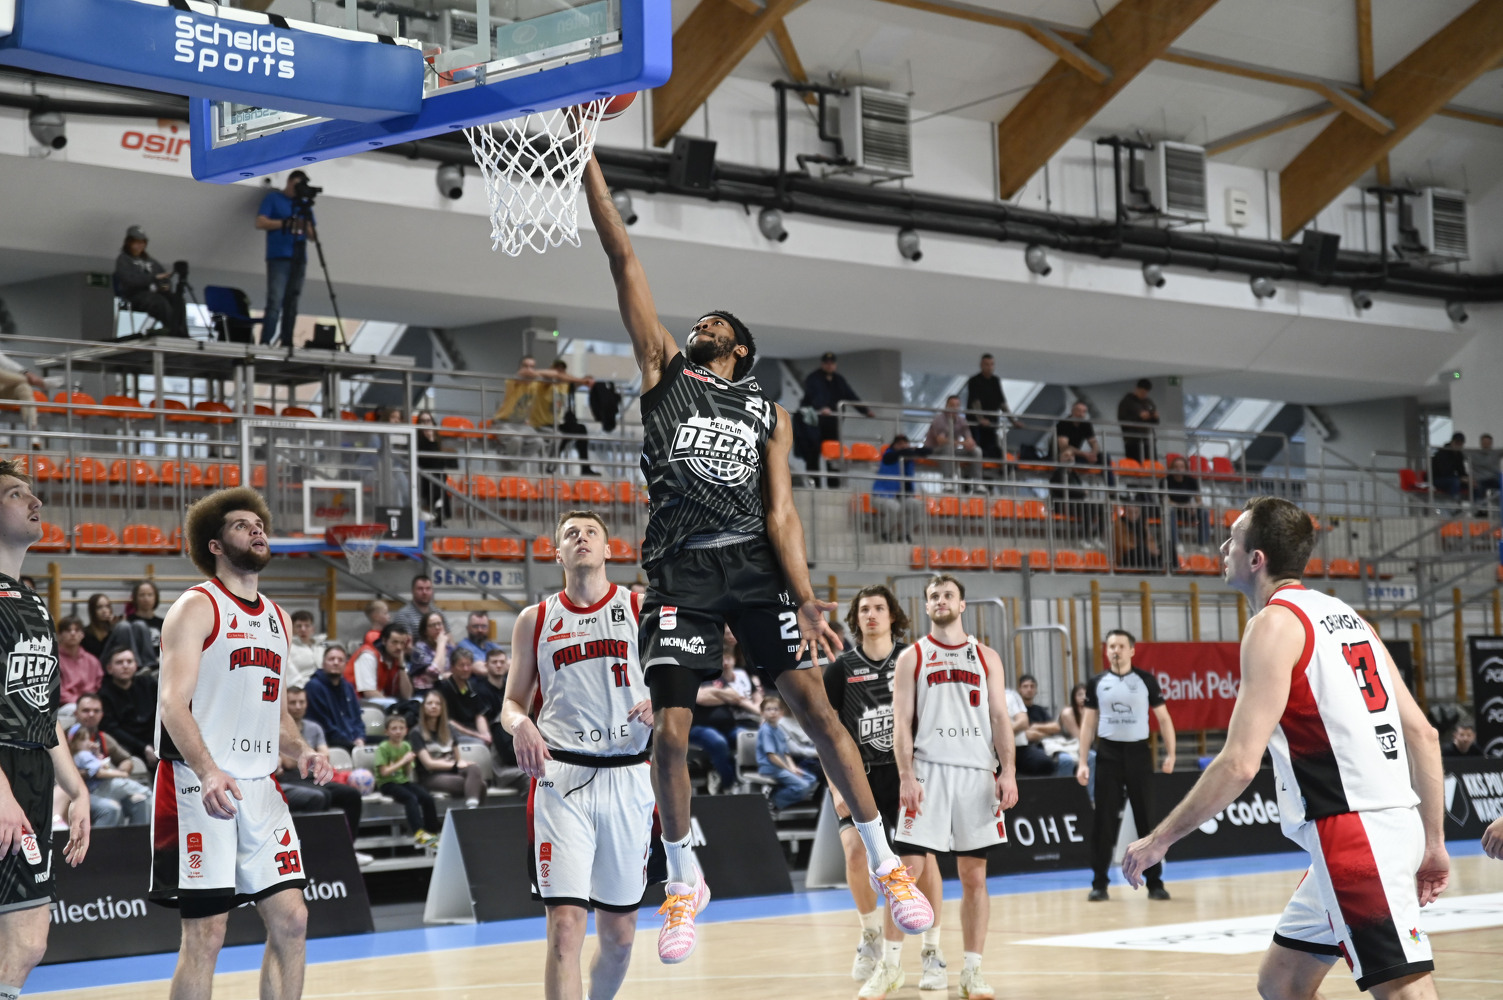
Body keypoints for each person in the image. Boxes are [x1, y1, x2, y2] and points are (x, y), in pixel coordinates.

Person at [583, 155, 933, 964]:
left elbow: (780, 510)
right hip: (679, 571)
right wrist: (587, 165)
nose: (700, 325)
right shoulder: (665, 375)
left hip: (752, 566)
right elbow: (622, 256)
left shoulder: (768, 412)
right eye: (698, 321)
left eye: (715, 323)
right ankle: (683, 881)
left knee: (818, 713)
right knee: (671, 734)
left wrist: (805, 594)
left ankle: (886, 864)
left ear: (738, 347)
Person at [1123, 496, 1448, 1000]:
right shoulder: (1346, 616)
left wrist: (1159, 840)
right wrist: (1433, 841)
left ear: (1257, 559)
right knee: (1282, 982)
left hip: (1353, 832)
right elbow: (1424, 734)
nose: (1224, 547)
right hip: (1392, 823)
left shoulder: (1273, 624)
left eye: (1233, 538)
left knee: (1406, 990)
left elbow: (1238, 763)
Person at [152, 486, 332, 1000]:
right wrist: (208, 769)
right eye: (240, 525)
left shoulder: (278, 618)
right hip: (199, 785)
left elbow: (275, 716)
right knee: (207, 935)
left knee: (293, 920)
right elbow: (172, 704)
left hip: (259, 786)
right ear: (214, 545)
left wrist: (302, 750)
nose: (256, 530)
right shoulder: (197, 606)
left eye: (259, 524)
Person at [502, 511, 654, 1000]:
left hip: (628, 775)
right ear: (558, 553)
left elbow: (688, 671)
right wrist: (521, 724)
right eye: (571, 534)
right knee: (565, 927)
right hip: (561, 778)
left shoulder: (639, 607)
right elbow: (511, 702)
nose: (581, 539)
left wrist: (666, 698)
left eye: (591, 533)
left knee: (620, 939)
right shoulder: (535, 619)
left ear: (609, 550)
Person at [891, 574, 1018, 1000]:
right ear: (926, 606)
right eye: (934, 596)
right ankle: (890, 964)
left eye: (948, 595)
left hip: (976, 773)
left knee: (974, 877)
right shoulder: (912, 656)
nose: (941, 600)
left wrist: (1008, 771)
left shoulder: (986, 656)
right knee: (906, 874)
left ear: (962, 605)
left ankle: (972, 971)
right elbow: (901, 723)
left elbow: (1000, 717)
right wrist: (906, 775)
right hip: (928, 771)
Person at [824, 585, 946, 997]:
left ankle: (930, 952)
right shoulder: (841, 669)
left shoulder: (915, 660)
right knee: (855, 853)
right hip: (858, 776)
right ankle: (870, 935)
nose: (871, 614)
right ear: (856, 619)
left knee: (918, 864)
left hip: (908, 773)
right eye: (864, 609)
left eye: (879, 607)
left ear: (893, 615)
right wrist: (836, 787)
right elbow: (826, 735)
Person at [0, 460, 91, 1000]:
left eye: (32, 493)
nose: (34, 502)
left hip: (32, 772)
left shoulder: (33, 602)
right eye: (15, 493)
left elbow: (44, 709)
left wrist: (77, 790)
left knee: (29, 940)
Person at [1076, 628, 1175, 901]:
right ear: (1106, 651)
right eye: (1111, 646)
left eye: (1121, 646)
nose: (1115, 650)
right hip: (1108, 754)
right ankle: (1099, 883)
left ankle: (1155, 883)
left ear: (1131, 650)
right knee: (1104, 820)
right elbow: (1088, 724)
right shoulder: (1097, 683)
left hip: (1138, 754)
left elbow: (1164, 719)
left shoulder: (1145, 681)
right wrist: (1082, 761)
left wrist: (1171, 754)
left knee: (1147, 820)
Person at [277, 685, 363, 843]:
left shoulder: (314, 727)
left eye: (301, 702)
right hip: (291, 778)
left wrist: (305, 758)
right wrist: (312, 756)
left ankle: (349, 847)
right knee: (323, 796)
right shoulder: (279, 729)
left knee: (352, 795)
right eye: (293, 703)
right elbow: (288, 763)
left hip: (313, 777)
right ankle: (319, 847)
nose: (298, 706)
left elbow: (324, 757)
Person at [253, 171, 316, 347]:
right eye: (296, 186)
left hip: (299, 258)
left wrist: (305, 224)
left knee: (292, 301)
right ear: (289, 182)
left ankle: (287, 340)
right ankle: (265, 340)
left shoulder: (304, 205)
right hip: (278, 257)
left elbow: (313, 236)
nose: (297, 190)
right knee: (275, 300)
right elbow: (260, 222)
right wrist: (286, 223)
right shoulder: (273, 198)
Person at [798, 352, 871, 486]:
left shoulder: (839, 380)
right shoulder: (814, 378)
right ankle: (814, 485)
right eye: (827, 363)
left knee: (833, 454)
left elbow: (850, 395)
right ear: (822, 364)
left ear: (835, 365)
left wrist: (865, 410)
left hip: (832, 422)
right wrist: (821, 408)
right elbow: (814, 396)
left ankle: (834, 485)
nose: (829, 366)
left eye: (831, 363)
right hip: (814, 422)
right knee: (813, 454)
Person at [411, 691, 486, 809]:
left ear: (442, 708)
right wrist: (455, 765)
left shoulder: (449, 728)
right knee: (480, 785)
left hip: (451, 771)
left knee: (474, 768)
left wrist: (461, 763)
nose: (434, 706)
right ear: (423, 707)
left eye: (438, 704)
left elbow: (458, 758)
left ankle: (472, 809)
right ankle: (472, 812)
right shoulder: (416, 732)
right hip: (430, 776)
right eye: (430, 703)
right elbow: (429, 764)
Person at [68, 723, 149, 827]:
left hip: (99, 788)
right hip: (98, 788)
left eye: (88, 739)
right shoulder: (83, 754)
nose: (88, 742)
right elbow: (99, 773)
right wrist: (121, 774)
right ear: (74, 744)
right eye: (83, 740)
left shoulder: (86, 754)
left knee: (138, 799)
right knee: (126, 786)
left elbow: (102, 765)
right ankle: (148, 792)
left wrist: (97, 754)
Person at [375, 714, 439, 846]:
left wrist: (409, 763)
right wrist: (403, 761)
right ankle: (419, 833)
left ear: (406, 730)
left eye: (401, 728)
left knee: (427, 797)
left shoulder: (406, 746)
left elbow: (407, 773)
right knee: (410, 798)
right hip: (387, 783)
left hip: (403, 781)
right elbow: (384, 772)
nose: (398, 731)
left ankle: (432, 832)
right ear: (386, 731)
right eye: (394, 728)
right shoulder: (383, 747)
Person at [114, 225, 188, 337]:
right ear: (129, 242)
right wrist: (153, 278)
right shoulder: (123, 260)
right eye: (137, 242)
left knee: (178, 300)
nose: (140, 245)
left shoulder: (151, 261)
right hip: (136, 295)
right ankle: (173, 330)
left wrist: (165, 286)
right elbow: (130, 281)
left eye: (142, 242)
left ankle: (182, 331)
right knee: (159, 301)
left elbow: (163, 277)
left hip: (155, 294)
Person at [97, 648, 158, 768]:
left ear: (136, 665)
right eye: (119, 662)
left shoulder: (149, 684)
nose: (125, 666)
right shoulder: (104, 695)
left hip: (156, 740)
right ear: (109, 668)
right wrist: (144, 747)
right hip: (128, 746)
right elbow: (112, 730)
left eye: (129, 661)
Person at [756, 696, 818, 809]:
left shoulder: (778, 730)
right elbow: (772, 756)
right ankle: (772, 801)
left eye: (775, 709)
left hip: (782, 766)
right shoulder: (766, 731)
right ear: (762, 713)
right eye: (768, 709)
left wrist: (793, 768)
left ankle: (780, 795)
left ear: (781, 712)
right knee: (803, 786)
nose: (772, 712)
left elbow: (786, 753)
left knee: (811, 779)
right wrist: (789, 769)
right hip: (771, 768)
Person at [303, 645, 365, 752]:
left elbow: (357, 719)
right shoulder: (314, 687)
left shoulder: (348, 687)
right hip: (329, 741)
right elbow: (323, 725)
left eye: (340, 660)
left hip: (351, 739)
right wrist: (351, 742)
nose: (336, 663)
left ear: (345, 664)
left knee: (383, 743)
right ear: (323, 663)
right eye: (331, 659)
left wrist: (360, 737)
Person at [871, 435, 929, 542]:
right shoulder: (889, 456)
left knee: (919, 506)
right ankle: (886, 533)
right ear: (894, 446)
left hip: (902, 497)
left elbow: (927, 451)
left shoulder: (909, 459)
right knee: (894, 507)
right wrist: (908, 450)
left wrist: (914, 450)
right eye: (900, 444)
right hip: (882, 495)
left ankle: (904, 534)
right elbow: (901, 453)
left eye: (905, 444)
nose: (903, 446)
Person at [1016, 674, 1074, 777]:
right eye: (1025, 686)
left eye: (1032, 686)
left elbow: (1056, 727)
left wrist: (1035, 727)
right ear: (1019, 689)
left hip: (1047, 745)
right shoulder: (1016, 711)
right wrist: (1045, 732)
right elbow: (1028, 735)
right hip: (1025, 750)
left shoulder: (1039, 710)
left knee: (1067, 760)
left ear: (1036, 690)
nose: (1029, 689)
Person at [964, 353, 1018, 464]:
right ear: (981, 365)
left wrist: (1013, 421)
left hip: (991, 424)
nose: (989, 367)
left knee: (992, 449)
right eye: (987, 364)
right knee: (978, 449)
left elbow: (1002, 403)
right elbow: (975, 402)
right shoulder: (974, 380)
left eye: (991, 364)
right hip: (976, 425)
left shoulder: (995, 381)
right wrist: (981, 419)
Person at [437, 645, 493, 746]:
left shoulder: (473, 686)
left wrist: (485, 734)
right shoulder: (444, 688)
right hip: (453, 732)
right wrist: (478, 736)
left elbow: (479, 714)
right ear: (452, 668)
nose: (466, 669)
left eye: (468, 665)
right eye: (461, 665)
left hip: (474, 731)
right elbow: (448, 721)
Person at [925, 396, 982, 489]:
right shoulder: (939, 419)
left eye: (957, 405)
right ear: (946, 406)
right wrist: (962, 443)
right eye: (952, 405)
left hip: (952, 451)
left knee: (977, 450)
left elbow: (969, 437)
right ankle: (948, 482)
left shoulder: (961, 420)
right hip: (934, 450)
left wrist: (970, 443)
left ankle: (978, 483)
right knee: (948, 447)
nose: (955, 408)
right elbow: (941, 441)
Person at [350, 622, 414, 702]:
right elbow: (369, 693)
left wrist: (401, 665)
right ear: (384, 641)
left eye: (402, 643)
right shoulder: (368, 656)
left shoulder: (397, 657)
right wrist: (394, 706)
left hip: (382, 702)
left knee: (418, 701)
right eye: (394, 642)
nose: (399, 647)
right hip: (359, 702)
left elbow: (407, 695)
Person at [415, 411, 457, 526]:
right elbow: (425, 461)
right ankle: (439, 515)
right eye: (422, 421)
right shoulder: (417, 439)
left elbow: (438, 462)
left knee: (440, 480)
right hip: (423, 475)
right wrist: (429, 439)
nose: (426, 423)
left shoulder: (436, 439)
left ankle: (438, 514)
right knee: (437, 483)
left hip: (436, 476)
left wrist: (431, 438)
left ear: (433, 423)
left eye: (428, 421)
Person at [55, 615, 102, 710]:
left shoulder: (92, 660)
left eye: (76, 630)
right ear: (60, 635)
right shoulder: (53, 660)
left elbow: (99, 686)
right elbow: (56, 690)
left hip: (91, 704)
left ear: (82, 634)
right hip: (64, 706)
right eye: (68, 630)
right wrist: (81, 703)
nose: (73, 633)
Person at [1165, 455, 1211, 545]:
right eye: (1176, 467)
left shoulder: (1191, 481)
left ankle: (1203, 544)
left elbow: (1199, 501)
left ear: (1186, 468)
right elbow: (1166, 500)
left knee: (1204, 511)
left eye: (1181, 467)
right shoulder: (1166, 481)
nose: (1179, 469)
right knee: (1169, 511)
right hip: (1174, 509)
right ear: (1172, 468)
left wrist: (1194, 507)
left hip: (1188, 511)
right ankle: (1176, 543)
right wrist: (1182, 506)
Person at [1117, 378, 1159, 462]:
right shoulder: (1126, 402)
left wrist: (1154, 417)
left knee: (1151, 464)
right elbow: (1122, 420)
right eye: (1142, 392)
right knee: (1135, 464)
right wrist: (1139, 417)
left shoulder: (1148, 402)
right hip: (1133, 441)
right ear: (1137, 389)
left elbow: (1155, 422)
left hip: (1148, 440)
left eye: (1146, 393)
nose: (1144, 395)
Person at [410, 611, 450, 692]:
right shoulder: (419, 649)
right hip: (426, 692)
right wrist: (441, 644)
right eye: (433, 625)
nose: (437, 627)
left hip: (447, 690)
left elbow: (458, 672)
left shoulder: (449, 648)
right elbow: (434, 671)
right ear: (425, 631)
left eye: (439, 624)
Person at [128, 580, 166, 662]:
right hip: (138, 663)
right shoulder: (129, 622)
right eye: (142, 595)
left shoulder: (163, 623)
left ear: (155, 597)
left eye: (150, 595)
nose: (146, 599)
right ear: (135, 598)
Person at [1056, 400, 1101, 466]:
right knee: (1068, 454)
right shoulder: (1063, 423)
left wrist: (1093, 453)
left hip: (1077, 455)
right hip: (1060, 455)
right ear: (1072, 411)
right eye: (1078, 410)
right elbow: (1064, 446)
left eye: (1084, 411)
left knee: (1104, 457)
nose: (1081, 414)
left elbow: (1094, 442)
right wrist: (1085, 455)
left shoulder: (1086, 425)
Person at [1430, 432, 1472, 501]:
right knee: (1455, 482)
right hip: (1437, 479)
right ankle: (1453, 502)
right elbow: (1444, 472)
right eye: (1457, 443)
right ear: (1452, 442)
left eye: (1460, 443)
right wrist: (1461, 478)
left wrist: (1468, 478)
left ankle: (1477, 503)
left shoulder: (1459, 454)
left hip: (1451, 478)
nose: (1458, 445)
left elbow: (1461, 471)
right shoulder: (1442, 453)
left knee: (1473, 483)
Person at [284, 610, 321, 688]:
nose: (303, 629)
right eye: (299, 626)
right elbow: (290, 674)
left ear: (313, 629)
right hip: (299, 688)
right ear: (292, 629)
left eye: (307, 626)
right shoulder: (288, 648)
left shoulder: (321, 647)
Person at [82, 593, 114, 660]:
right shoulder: (85, 633)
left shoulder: (114, 631)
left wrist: (114, 626)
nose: (104, 610)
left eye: (107, 606)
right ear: (93, 610)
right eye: (99, 607)